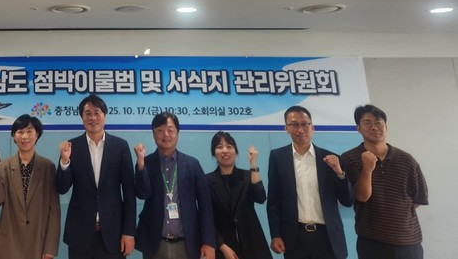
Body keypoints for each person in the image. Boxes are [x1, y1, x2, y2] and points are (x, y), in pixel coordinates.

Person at [340, 104, 428, 259]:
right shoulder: (350, 158)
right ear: (358, 128)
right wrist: (367, 169)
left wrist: (397, 217)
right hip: (372, 242)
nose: (374, 127)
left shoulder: (407, 160)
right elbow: (361, 196)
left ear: (386, 126)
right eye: (367, 123)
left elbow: (419, 197)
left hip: (409, 242)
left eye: (378, 122)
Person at [56, 94, 136, 259]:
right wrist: (64, 161)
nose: (92, 118)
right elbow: (62, 188)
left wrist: (129, 232)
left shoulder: (120, 146)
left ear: (104, 115)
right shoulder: (71, 146)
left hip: (113, 233)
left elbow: (129, 193)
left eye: (97, 113)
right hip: (80, 233)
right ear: (82, 117)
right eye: (87, 113)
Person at [266, 105, 353, 259]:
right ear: (286, 128)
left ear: (312, 127)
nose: (300, 130)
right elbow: (273, 202)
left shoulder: (331, 159)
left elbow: (347, 200)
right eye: (294, 124)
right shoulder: (278, 158)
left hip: (328, 237)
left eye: (304, 124)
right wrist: (276, 235)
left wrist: (339, 173)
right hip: (294, 237)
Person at [134, 112, 215, 259]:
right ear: (153, 134)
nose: (165, 135)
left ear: (178, 133)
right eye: (160, 130)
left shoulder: (192, 164)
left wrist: (208, 242)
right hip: (155, 243)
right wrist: (140, 164)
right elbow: (142, 194)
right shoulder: (146, 163)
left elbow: (205, 205)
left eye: (170, 130)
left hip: (187, 243)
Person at [0, 114, 60, 259]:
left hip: (37, 241)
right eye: (20, 132)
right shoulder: (3, 166)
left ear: (37, 135)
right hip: (8, 241)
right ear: (14, 136)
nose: (25, 136)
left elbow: (54, 210)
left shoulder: (47, 167)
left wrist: (50, 247)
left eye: (29, 131)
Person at [207, 131, 272, 259]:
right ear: (214, 154)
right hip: (225, 247)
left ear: (236, 152)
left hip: (253, 244)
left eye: (229, 146)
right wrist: (222, 246)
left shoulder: (247, 176)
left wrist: (253, 165)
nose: (225, 150)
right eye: (219, 147)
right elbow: (207, 219)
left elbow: (260, 198)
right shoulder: (207, 181)